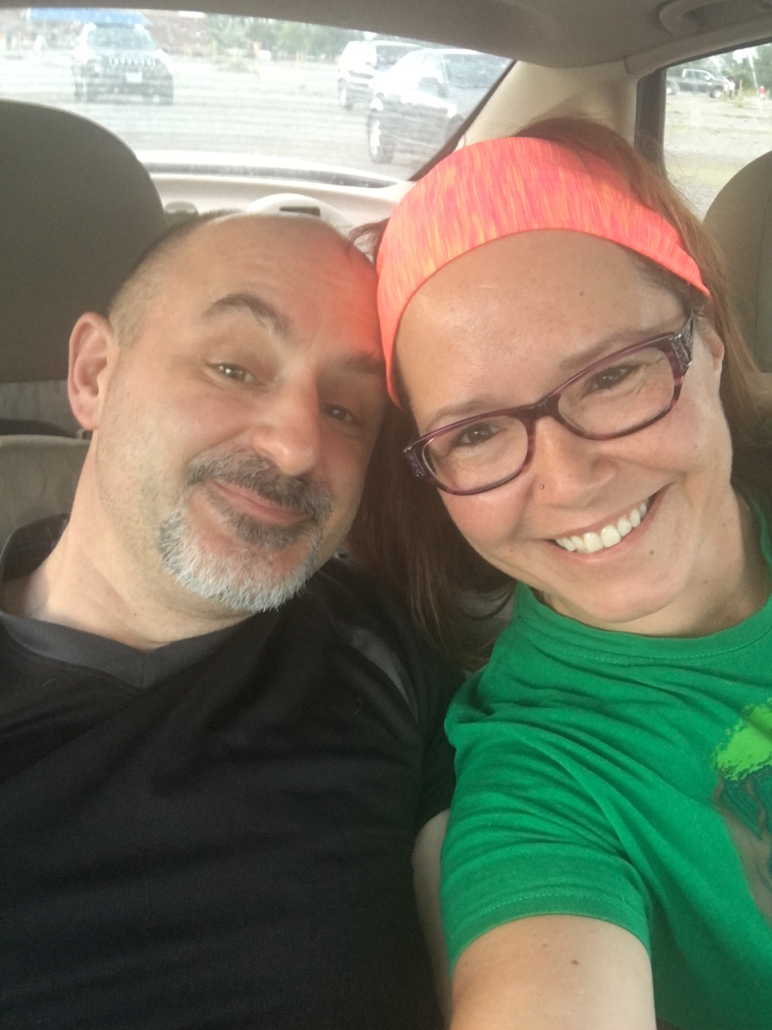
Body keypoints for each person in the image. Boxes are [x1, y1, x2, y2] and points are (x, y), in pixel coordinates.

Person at [352, 118, 772, 1029]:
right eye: (475, 432)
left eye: (612, 376)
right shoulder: (539, 782)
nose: (572, 478)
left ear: (708, 343)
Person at [0, 211, 458, 1030]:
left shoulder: (386, 650)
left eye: (346, 411)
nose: (296, 447)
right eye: (234, 368)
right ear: (95, 374)